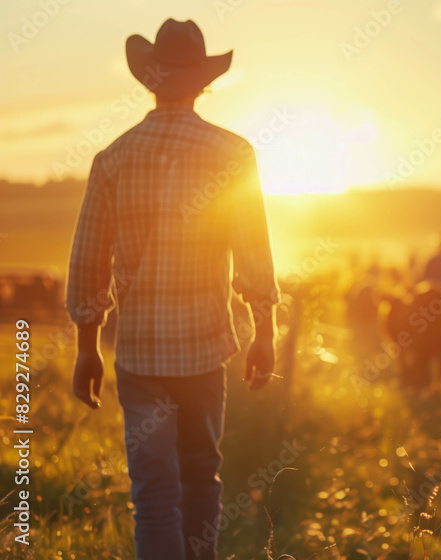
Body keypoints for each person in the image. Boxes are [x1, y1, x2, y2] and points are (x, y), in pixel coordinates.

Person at [65, 19, 279, 560]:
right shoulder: (233, 154)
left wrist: (86, 349)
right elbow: (253, 253)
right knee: (201, 480)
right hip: (205, 351)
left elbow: (89, 259)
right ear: (204, 82)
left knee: (154, 494)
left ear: (150, 78)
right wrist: (265, 333)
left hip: (138, 354)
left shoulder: (112, 158)